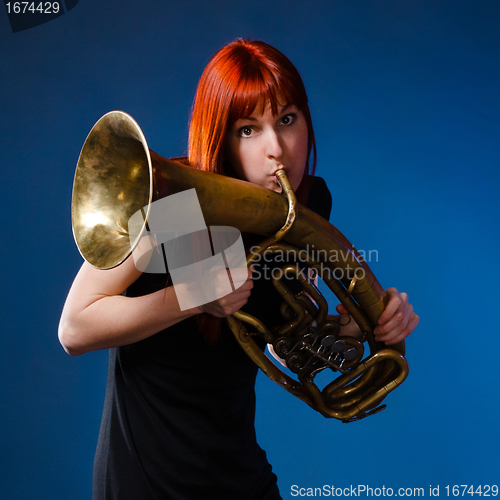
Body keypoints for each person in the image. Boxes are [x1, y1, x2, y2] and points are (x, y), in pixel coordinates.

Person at [59, 39, 419, 500]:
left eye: (287, 120)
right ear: (221, 137)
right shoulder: (174, 204)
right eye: (249, 130)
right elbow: (74, 328)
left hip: (234, 472)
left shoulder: (306, 204)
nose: (277, 150)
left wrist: (358, 325)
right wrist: (192, 296)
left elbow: (281, 341)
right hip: (147, 478)